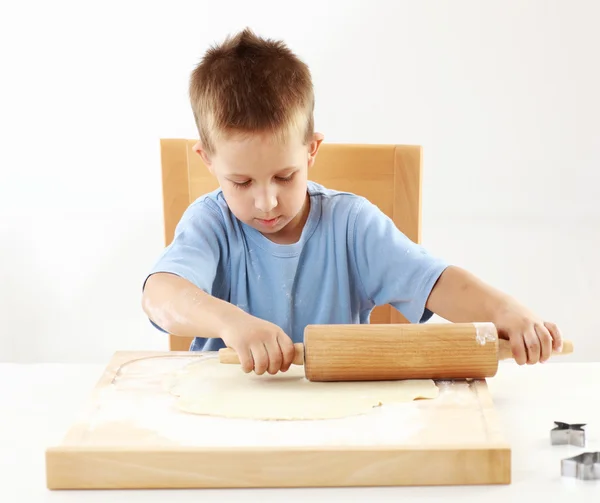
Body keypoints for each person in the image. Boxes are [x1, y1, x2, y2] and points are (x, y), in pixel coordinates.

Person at [141, 28, 563, 375]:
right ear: (207, 160)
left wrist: (504, 310)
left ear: (311, 150)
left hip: (342, 416)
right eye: (241, 182)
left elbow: (433, 281)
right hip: (225, 418)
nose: (266, 201)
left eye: (285, 177)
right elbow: (160, 294)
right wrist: (230, 322)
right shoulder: (210, 224)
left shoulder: (351, 225)